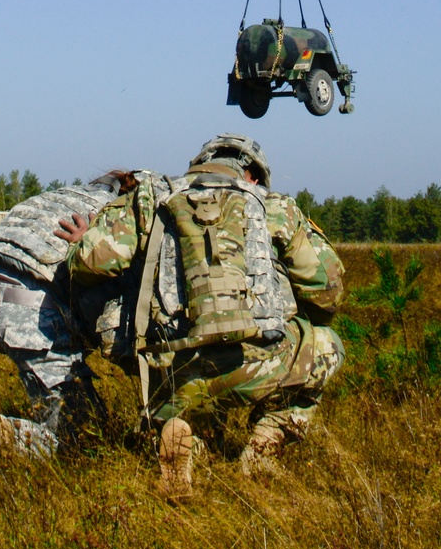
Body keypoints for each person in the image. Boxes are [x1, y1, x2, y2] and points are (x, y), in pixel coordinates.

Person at [61, 134, 345, 490]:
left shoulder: (153, 200)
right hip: (255, 363)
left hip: (171, 369)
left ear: (198, 164)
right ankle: (263, 448)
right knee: (327, 345)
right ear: (253, 176)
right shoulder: (276, 208)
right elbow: (328, 291)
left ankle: (176, 433)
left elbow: (91, 264)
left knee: (173, 401)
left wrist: (81, 245)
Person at [0, 173, 126, 460]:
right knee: (82, 440)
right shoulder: (113, 217)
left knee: (87, 414)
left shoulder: (54, 199)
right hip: (29, 315)